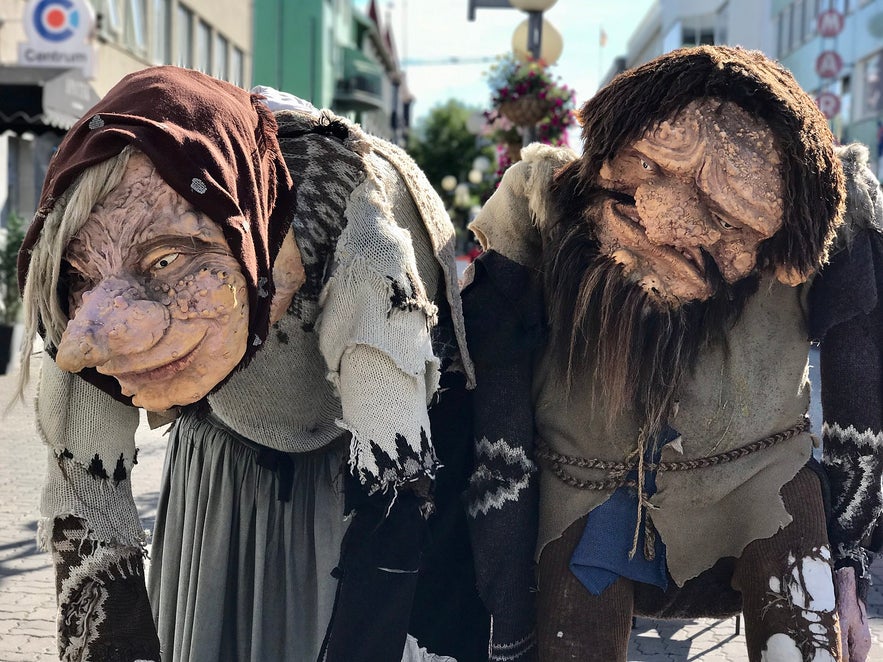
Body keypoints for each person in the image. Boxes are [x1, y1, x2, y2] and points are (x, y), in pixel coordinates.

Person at [16, 65, 475, 661]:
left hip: (338, 472)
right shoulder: (91, 239)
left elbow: (395, 488)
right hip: (218, 464)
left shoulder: (355, 209)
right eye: (81, 278)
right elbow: (84, 496)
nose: (87, 340)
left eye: (162, 263)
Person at [463, 45, 882, 661]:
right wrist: (504, 583)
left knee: (802, 641)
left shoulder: (825, 220)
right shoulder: (545, 202)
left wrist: (848, 560)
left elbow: (860, 374)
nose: (664, 216)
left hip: (761, 480)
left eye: (723, 214)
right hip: (585, 483)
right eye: (654, 168)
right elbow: (493, 379)